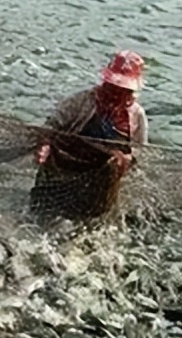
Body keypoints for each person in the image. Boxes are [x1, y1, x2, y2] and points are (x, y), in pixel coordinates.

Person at [30, 50, 148, 220]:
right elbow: (51, 126)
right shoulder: (82, 101)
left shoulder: (136, 115)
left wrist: (127, 160)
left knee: (93, 219)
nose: (115, 93)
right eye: (112, 86)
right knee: (42, 216)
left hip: (100, 181)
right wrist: (44, 145)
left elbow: (139, 149)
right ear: (105, 82)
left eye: (122, 89)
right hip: (64, 170)